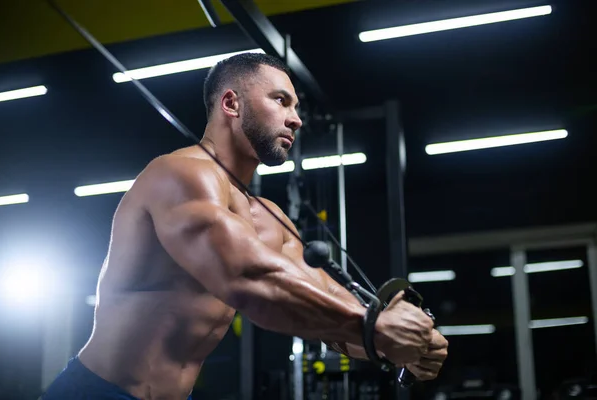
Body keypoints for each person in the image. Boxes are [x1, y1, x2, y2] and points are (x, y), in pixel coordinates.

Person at [41, 53, 448, 400]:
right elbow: (247, 277)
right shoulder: (180, 174)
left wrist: (401, 346)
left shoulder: (268, 218)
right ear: (232, 104)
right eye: (281, 101)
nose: (297, 120)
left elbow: (331, 316)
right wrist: (374, 328)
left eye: (297, 107)